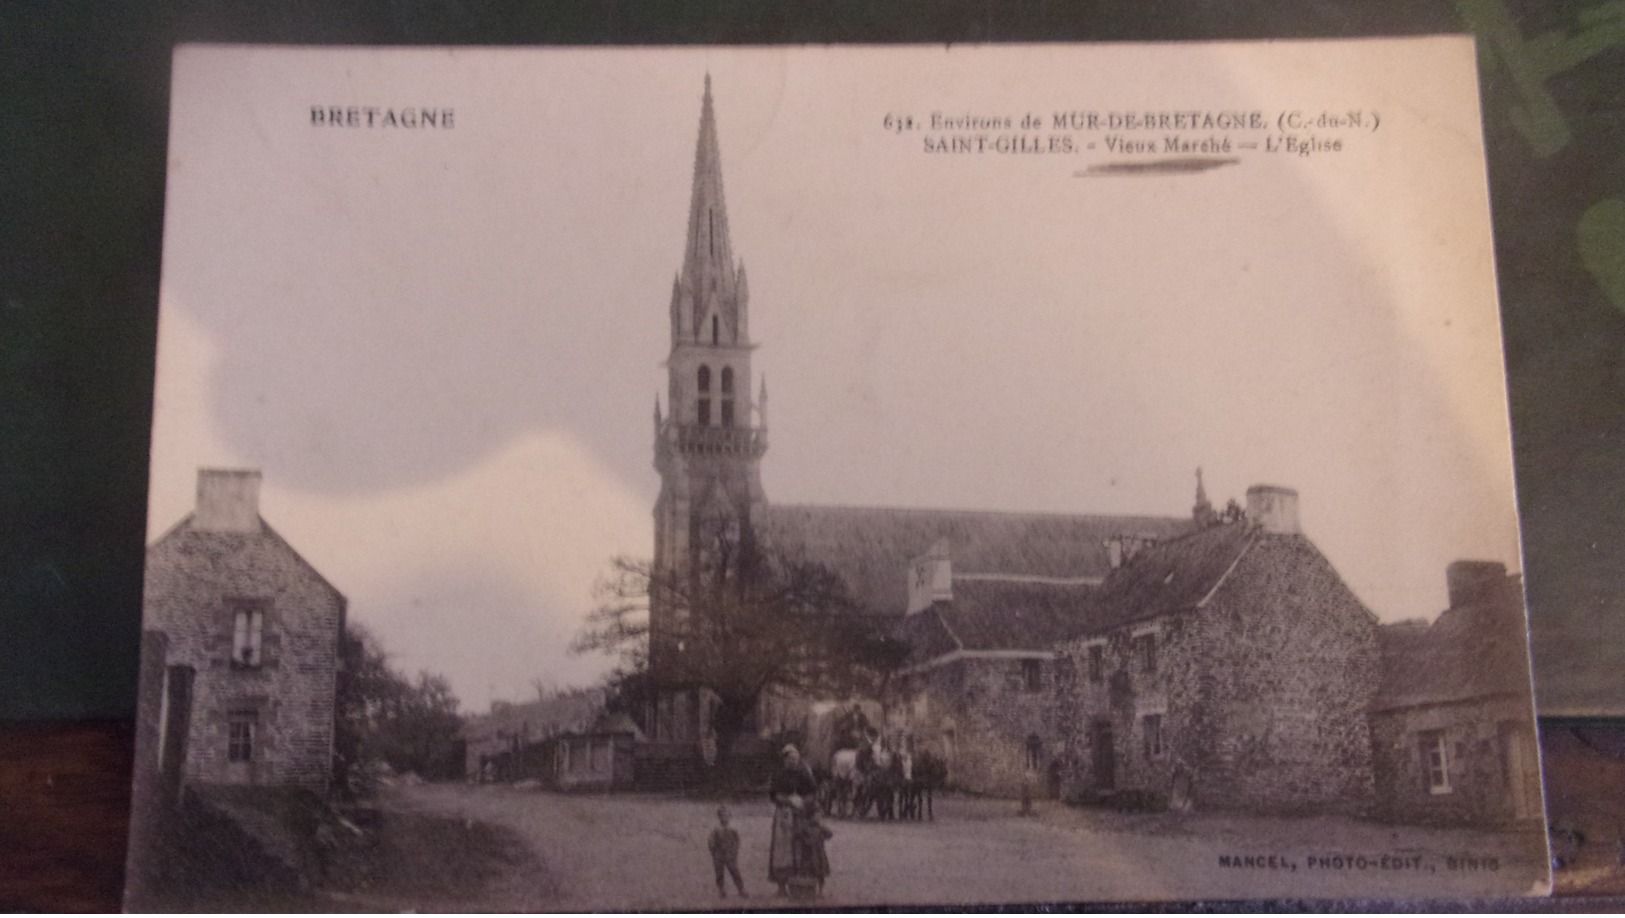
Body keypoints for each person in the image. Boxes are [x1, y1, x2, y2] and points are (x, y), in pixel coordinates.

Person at [767, 744, 818, 895]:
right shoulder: (779, 774)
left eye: (796, 759)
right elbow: (774, 795)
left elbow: (812, 793)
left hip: (800, 815)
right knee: (782, 851)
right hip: (783, 815)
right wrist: (788, 800)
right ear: (785, 760)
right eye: (790, 759)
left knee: (800, 848)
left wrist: (803, 802)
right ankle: (781, 886)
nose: (794, 762)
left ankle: (798, 885)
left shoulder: (804, 773)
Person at [793, 799, 833, 897]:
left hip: (819, 854)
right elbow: (796, 835)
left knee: (820, 874)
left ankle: (820, 891)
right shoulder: (806, 828)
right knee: (808, 872)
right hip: (809, 855)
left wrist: (823, 836)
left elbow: (830, 834)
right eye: (817, 815)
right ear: (811, 816)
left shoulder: (819, 828)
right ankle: (809, 890)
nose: (819, 817)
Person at [708, 805, 746, 899]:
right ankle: (721, 890)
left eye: (727, 815)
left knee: (735, 871)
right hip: (718, 854)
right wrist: (713, 851)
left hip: (730, 854)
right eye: (722, 816)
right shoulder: (716, 829)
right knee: (719, 873)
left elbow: (737, 841)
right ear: (719, 817)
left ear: (730, 816)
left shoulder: (733, 829)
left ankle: (741, 889)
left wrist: (735, 851)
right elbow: (711, 840)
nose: (724, 818)